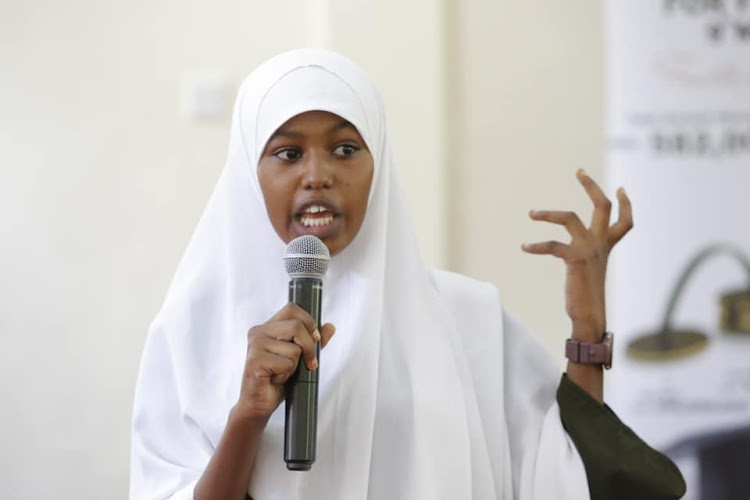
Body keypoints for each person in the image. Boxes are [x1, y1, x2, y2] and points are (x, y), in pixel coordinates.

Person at [129, 49, 686, 499]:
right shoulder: (191, 332)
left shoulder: (470, 319)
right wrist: (247, 417)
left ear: (380, 166)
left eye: (345, 148)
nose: (317, 175)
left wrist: (586, 331)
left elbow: (569, 483)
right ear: (250, 173)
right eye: (288, 152)